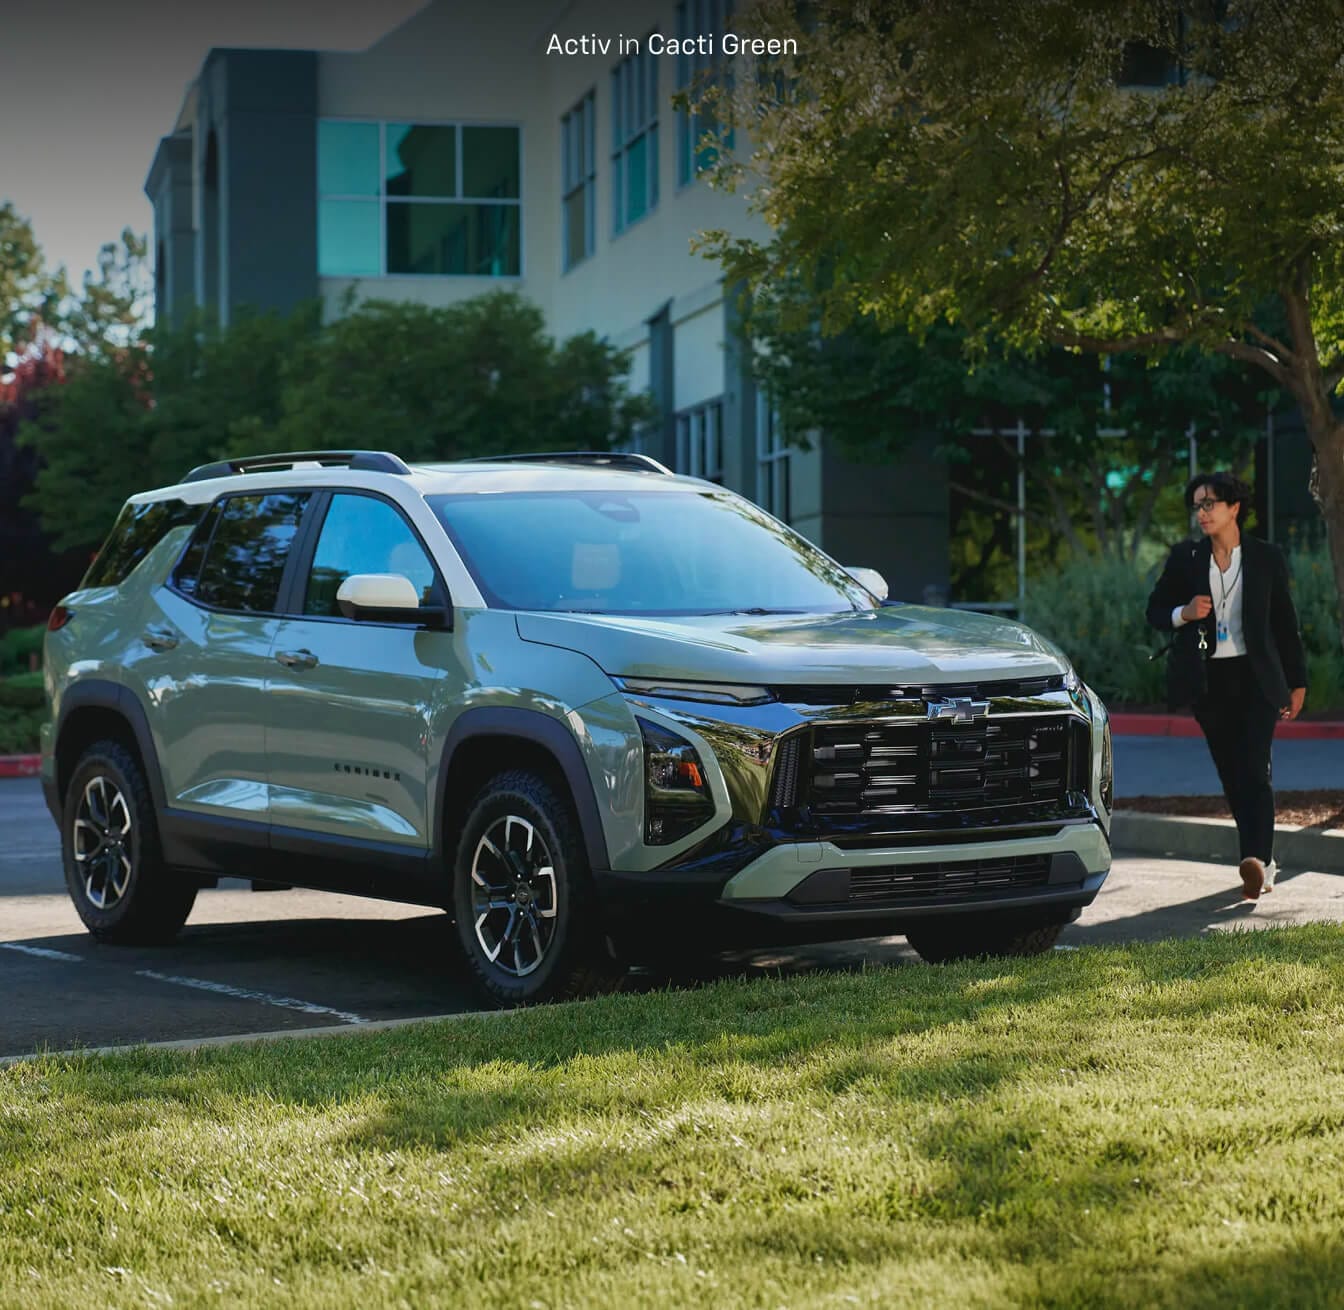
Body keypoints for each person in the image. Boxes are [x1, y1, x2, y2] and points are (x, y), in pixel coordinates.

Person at [1146, 472, 1308, 900]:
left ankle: (1259, 862)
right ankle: (1254, 862)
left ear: (1234, 507)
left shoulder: (1265, 557)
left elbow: (1284, 625)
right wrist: (1184, 612)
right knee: (1233, 775)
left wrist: (1298, 682)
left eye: (1209, 503)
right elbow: (1155, 611)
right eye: (1197, 505)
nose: (1201, 512)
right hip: (1208, 680)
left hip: (1256, 678)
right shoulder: (1187, 558)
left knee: (1255, 769)